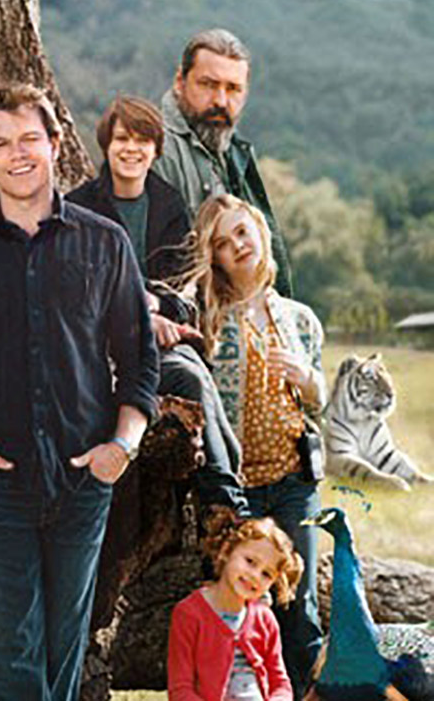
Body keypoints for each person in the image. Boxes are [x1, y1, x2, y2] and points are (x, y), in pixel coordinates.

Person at [0, 84, 159, 701]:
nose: (17, 154)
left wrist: (122, 447)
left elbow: (139, 359)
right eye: (1, 144)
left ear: (55, 143)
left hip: (82, 480)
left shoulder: (104, 242)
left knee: (65, 645)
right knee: (12, 649)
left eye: (29, 139)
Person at [68, 95, 248, 516]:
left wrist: (155, 310)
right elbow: (76, 291)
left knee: (195, 372)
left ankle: (226, 495)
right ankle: (225, 500)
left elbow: (184, 294)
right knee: (189, 375)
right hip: (99, 348)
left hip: (161, 341)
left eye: (142, 141)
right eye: (122, 139)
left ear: (156, 149)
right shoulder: (77, 208)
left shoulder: (169, 204)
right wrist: (142, 314)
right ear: (106, 145)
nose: (131, 149)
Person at [186, 193, 326, 698]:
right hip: (237, 489)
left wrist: (307, 378)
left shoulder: (299, 318)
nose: (238, 246)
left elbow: (320, 400)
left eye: (243, 232)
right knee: (234, 607)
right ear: (215, 258)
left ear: (261, 233)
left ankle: (306, 693)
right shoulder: (208, 318)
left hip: (293, 480)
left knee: (298, 601)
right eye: (223, 243)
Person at [152, 28, 293, 297]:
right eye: (208, 84)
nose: (220, 100)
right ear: (180, 82)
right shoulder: (155, 149)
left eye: (233, 89)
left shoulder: (235, 150)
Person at [167, 509, 303, 701]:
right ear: (227, 550)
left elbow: (280, 683)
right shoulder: (189, 614)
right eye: (250, 561)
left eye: (266, 574)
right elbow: (180, 690)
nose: (255, 575)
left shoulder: (265, 619)